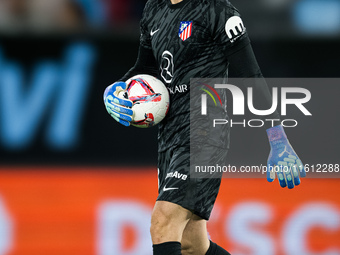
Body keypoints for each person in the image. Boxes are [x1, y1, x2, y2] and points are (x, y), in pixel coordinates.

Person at [103, 0, 306, 254]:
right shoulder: (154, 8)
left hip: (205, 133)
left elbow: (250, 75)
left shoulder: (217, 10)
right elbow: (145, 68)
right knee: (191, 243)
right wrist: (116, 89)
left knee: (163, 221)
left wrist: (277, 138)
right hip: (169, 134)